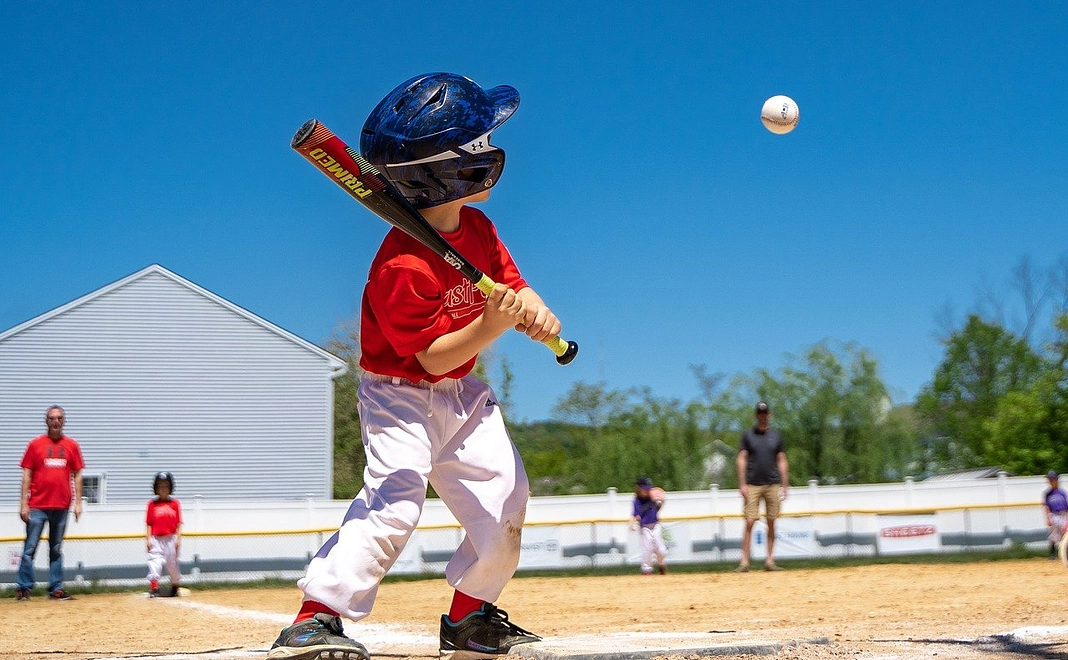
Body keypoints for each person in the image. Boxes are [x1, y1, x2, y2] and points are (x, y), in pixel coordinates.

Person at [268, 72, 566, 660]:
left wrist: (535, 310)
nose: (489, 148)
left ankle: (470, 615)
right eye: (477, 143)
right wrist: (492, 324)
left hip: (463, 395)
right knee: (395, 500)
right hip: (399, 395)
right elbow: (431, 356)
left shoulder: (477, 228)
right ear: (450, 171)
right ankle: (315, 616)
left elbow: (514, 285)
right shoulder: (403, 264)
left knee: (507, 497)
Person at [15, 405, 84, 601]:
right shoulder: (35, 445)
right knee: (30, 548)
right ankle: (24, 587)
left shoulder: (72, 446)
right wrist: (23, 504)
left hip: (61, 506)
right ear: (46, 421)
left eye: (59, 418)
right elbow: (27, 474)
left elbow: (78, 474)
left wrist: (78, 503)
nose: (56, 421)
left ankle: (55, 588)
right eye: (52, 418)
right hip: (37, 506)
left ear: (64, 421)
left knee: (56, 548)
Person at [735, 401, 789, 572]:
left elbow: (781, 460)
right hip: (752, 484)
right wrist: (742, 483)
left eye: (765, 413)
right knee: (749, 521)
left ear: (769, 415)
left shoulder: (776, 436)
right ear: (756, 415)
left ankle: (770, 560)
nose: (762, 416)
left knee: (771, 521)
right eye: (759, 413)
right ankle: (744, 562)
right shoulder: (748, 435)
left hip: (772, 483)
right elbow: (741, 458)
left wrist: (785, 484)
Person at [146, 471, 182, 597]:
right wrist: (148, 539)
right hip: (156, 538)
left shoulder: (175, 504)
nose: (163, 489)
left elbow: (178, 524)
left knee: (172, 564)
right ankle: (154, 588)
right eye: (160, 486)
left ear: (170, 488)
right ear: (156, 488)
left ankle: (175, 585)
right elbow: (149, 523)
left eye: (166, 486)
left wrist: (178, 539)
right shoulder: (152, 504)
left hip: (171, 538)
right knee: (154, 562)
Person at [629, 476, 667, 575]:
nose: (647, 490)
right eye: (644, 488)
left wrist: (661, 499)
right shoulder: (637, 501)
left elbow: (661, 500)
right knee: (647, 549)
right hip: (644, 527)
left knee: (661, 549)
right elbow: (634, 514)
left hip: (655, 525)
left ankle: (662, 564)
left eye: (648, 488)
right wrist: (632, 523)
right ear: (639, 488)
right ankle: (646, 569)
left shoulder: (652, 496)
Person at [1043, 470, 1068, 560]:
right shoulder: (1047, 494)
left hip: (1063, 515)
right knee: (1053, 536)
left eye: (1052, 479)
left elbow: (1067, 506)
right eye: (1049, 480)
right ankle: (1052, 555)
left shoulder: (1062, 493)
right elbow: (1046, 507)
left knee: (1065, 535)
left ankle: (1064, 554)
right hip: (1053, 515)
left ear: (1057, 480)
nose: (1050, 481)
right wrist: (1048, 518)